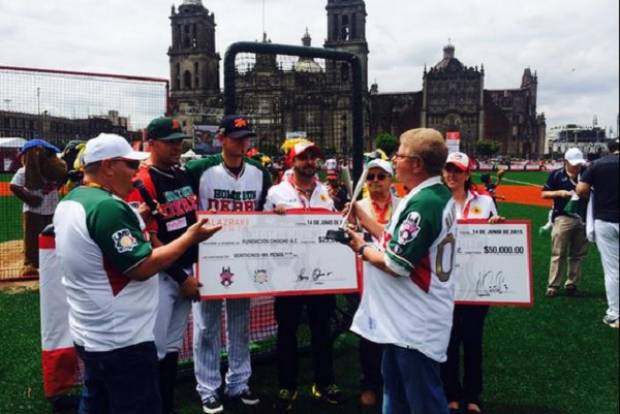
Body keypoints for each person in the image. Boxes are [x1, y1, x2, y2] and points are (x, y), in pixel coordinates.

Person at [53, 133, 221, 414]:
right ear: (108, 166)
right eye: (130, 165)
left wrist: (136, 221)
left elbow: (101, 247)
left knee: (97, 401)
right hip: (121, 338)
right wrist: (188, 238)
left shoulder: (75, 198)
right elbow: (141, 268)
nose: (135, 173)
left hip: (91, 332)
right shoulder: (107, 207)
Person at [345, 128, 456, 414]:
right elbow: (394, 241)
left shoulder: (424, 204)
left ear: (417, 164)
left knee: (423, 402)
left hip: (414, 321)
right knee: (395, 393)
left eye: (400, 155)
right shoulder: (427, 195)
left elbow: (396, 264)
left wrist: (359, 247)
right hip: (402, 320)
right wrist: (362, 220)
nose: (395, 160)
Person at [185, 115, 271, 414]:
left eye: (246, 137)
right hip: (209, 256)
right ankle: (208, 388)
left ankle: (238, 381)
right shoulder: (199, 169)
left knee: (239, 323)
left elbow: (264, 210)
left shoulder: (259, 172)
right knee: (207, 325)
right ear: (221, 138)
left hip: (244, 255)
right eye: (236, 137)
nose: (242, 142)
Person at [125, 117, 201, 414]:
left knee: (171, 346)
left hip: (184, 271)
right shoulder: (143, 180)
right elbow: (149, 237)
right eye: (170, 142)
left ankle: (165, 405)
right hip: (161, 275)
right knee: (154, 348)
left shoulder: (180, 174)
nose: (177, 147)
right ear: (151, 143)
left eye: (179, 141)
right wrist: (181, 277)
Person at [263, 141, 344, 411]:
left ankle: (325, 381)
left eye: (313, 158)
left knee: (322, 329)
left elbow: (334, 228)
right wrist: (273, 217)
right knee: (287, 331)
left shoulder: (325, 193)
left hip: (321, 273)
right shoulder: (276, 192)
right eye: (303, 158)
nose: (309, 162)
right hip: (287, 272)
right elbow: (261, 227)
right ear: (291, 161)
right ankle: (287, 384)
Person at [439, 152, 505, 414]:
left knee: (473, 340)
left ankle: (473, 394)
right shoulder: (437, 203)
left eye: (457, 170)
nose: (452, 175)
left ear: (467, 174)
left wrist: (498, 225)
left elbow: (497, 237)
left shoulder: (486, 201)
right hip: (445, 284)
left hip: (477, 283)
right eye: (448, 170)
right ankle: (451, 393)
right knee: (449, 340)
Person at [346, 158, 401, 407]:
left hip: (394, 279)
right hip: (365, 280)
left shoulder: (402, 206)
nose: (376, 182)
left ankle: (393, 383)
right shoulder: (356, 206)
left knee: (395, 334)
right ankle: (369, 383)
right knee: (369, 334)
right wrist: (348, 226)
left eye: (381, 176)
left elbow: (393, 240)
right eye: (371, 177)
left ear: (391, 180)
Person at [576, 139, 619, 328]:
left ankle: (615, 314)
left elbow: (581, 189)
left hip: (606, 220)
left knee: (613, 271)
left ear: (609, 149)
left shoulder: (598, 165)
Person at [10, 139, 67, 277]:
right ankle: (31, 264)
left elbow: (63, 178)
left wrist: (57, 185)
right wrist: (29, 197)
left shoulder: (55, 170)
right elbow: (14, 186)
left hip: (52, 209)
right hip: (33, 211)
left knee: (53, 235)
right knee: (32, 238)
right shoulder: (24, 172)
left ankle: (53, 260)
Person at [541, 147, 589, 297]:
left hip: (583, 218)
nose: (576, 166)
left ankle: (571, 283)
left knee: (577, 254)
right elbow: (543, 193)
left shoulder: (586, 174)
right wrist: (560, 193)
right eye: (573, 163)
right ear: (565, 162)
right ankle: (553, 285)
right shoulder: (556, 175)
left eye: (579, 163)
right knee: (558, 253)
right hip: (563, 217)